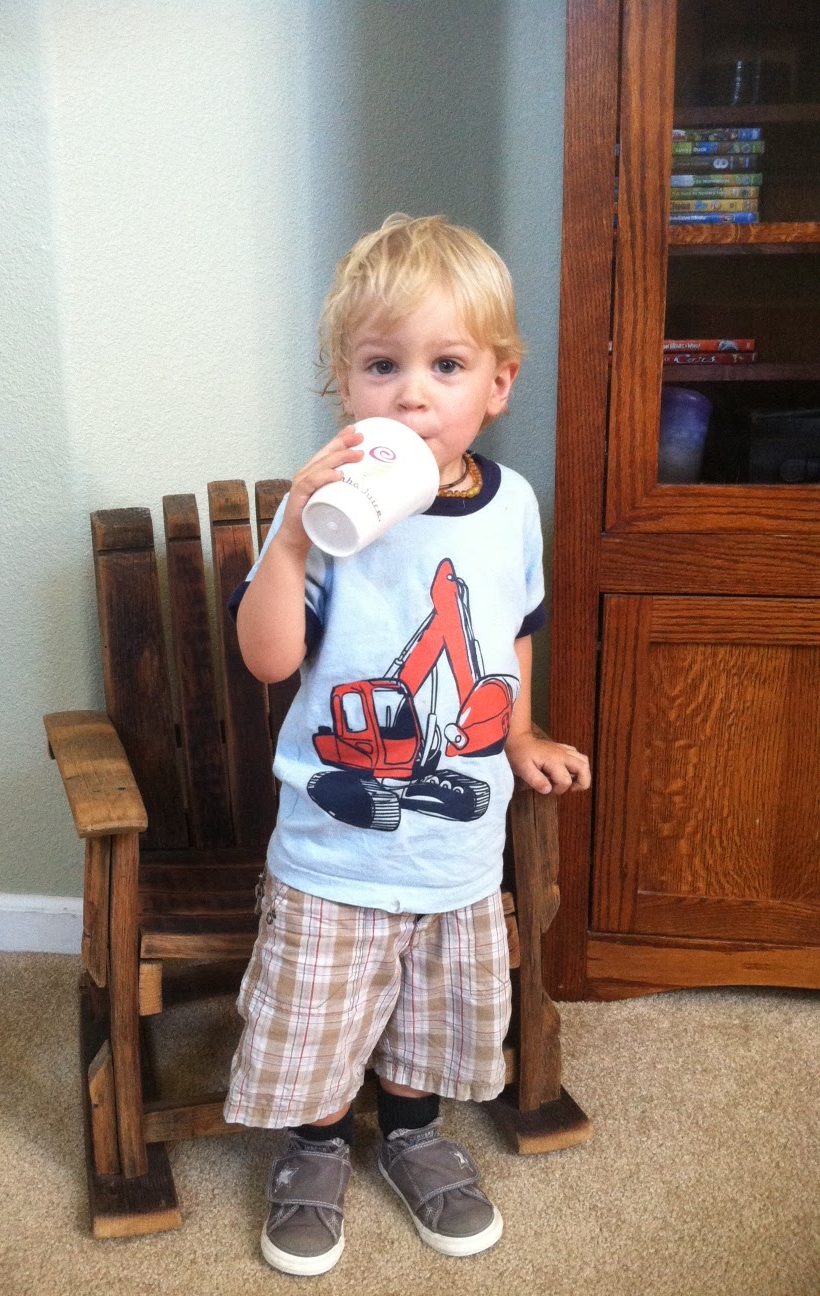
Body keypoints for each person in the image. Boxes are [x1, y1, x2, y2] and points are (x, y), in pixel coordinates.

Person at [223, 213, 591, 1277]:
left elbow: (507, 635)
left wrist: (517, 732)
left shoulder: (512, 508)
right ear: (344, 385)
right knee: (320, 1016)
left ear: (499, 384)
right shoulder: (330, 515)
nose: (412, 395)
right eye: (382, 366)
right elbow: (267, 658)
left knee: (432, 1012)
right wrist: (292, 534)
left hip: (454, 854)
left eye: (446, 366)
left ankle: (415, 1135)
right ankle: (314, 1146)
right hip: (332, 855)